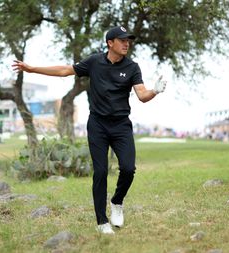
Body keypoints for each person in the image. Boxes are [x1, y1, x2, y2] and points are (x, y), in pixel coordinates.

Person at [12, 26, 166, 235]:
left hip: (121, 125)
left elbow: (142, 94)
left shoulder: (132, 67)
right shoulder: (94, 62)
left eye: (128, 40)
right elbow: (64, 71)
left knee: (128, 169)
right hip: (98, 125)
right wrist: (32, 69)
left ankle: (117, 202)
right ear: (110, 43)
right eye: (122, 40)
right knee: (100, 172)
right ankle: (102, 222)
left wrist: (155, 91)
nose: (126, 43)